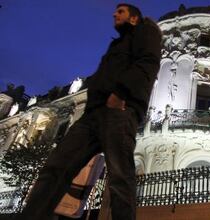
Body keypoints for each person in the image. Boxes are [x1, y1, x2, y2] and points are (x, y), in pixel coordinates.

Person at [18, 3, 161, 220]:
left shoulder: (145, 31)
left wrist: (121, 93)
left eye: (120, 11)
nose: (114, 14)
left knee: (120, 177)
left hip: (120, 109)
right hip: (92, 114)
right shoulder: (117, 44)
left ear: (134, 18)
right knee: (55, 168)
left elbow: (148, 63)